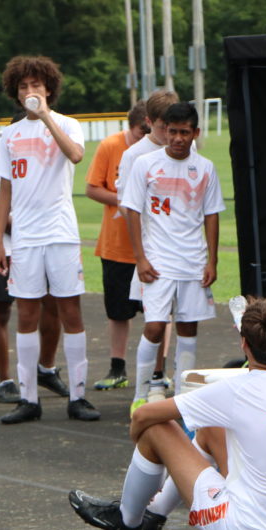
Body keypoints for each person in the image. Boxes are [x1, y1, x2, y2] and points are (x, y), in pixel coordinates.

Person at [68, 297, 266, 530]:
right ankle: (155, 513)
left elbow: (142, 416)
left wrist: (146, 446)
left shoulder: (235, 391)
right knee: (211, 426)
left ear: (244, 343)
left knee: (157, 428)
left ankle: (128, 521)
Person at [0, 55, 99, 424]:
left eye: (36, 85)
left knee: (70, 311)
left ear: (49, 88)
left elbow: (76, 155)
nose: (29, 91)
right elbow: (5, 188)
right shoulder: (9, 135)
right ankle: (29, 398)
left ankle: (78, 396)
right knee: (26, 314)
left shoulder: (68, 124)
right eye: (23, 86)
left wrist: (46, 117)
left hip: (61, 233)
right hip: (25, 236)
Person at [121, 102, 225, 416]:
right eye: (173, 132)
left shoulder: (205, 168)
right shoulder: (145, 164)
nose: (178, 138)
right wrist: (140, 258)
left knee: (188, 328)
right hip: (157, 262)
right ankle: (140, 395)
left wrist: (212, 261)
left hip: (192, 261)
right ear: (164, 131)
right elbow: (132, 211)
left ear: (195, 133)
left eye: (185, 132)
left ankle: (182, 398)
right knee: (154, 326)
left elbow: (211, 215)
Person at [0, 134, 66, 405]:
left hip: (30, 242)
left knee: (53, 302)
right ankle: (5, 381)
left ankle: (46, 368)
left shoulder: (28, 154)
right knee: (1, 311)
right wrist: (34, 232)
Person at [115, 89, 184, 400]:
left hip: (182, 247)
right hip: (153, 247)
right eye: (162, 127)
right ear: (149, 122)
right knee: (155, 317)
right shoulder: (135, 155)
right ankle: (149, 382)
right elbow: (125, 204)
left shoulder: (183, 152)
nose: (169, 133)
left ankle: (169, 377)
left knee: (181, 317)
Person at [85, 101, 149, 390]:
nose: (144, 139)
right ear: (130, 127)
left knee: (158, 313)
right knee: (118, 311)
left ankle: (157, 369)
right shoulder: (111, 146)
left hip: (152, 247)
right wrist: (126, 200)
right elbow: (92, 188)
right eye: (139, 133)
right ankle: (117, 367)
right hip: (116, 245)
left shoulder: (161, 149)